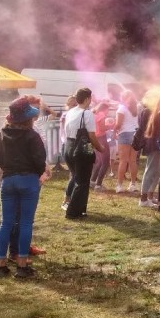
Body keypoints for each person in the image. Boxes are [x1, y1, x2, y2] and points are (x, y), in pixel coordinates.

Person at [0, 98, 48, 279]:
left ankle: (0, 264)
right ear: (29, 118)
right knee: (25, 223)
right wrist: (41, 174)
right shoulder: (32, 136)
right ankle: (22, 266)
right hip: (28, 180)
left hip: (8, 181)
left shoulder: (3, 133)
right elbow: (40, 159)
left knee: (6, 223)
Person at [63, 88, 104, 220]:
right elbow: (91, 135)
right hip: (80, 149)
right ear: (87, 99)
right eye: (90, 98)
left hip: (68, 146)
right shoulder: (87, 114)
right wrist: (100, 148)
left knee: (77, 177)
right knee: (82, 181)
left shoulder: (70, 111)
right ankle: (73, 212)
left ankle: (80, 209)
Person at [114, 91, 139, 193]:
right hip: (135, 134)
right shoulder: (136, 108)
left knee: (123, 161)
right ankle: (132, 184)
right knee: (133, 161)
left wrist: (114, 130)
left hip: (124, 134)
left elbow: (118, 124)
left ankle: (119, 185)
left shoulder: (122, 108)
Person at [91, 101, 112, 191]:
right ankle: (98, 184)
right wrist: (110, 126)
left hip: (95, 138)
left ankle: (92, 180)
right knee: (105, 162)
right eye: (108, 110)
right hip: (102, 138)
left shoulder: (94, 114)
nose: (108, 112)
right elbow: (103, 128)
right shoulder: (102, 115)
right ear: (105, 109)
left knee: (99, 161)